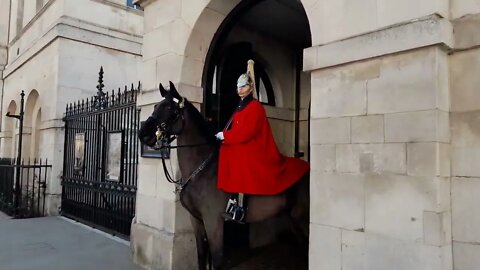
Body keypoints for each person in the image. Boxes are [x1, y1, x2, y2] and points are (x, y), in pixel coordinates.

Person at [215, 60, 310, 223]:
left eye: (243, 86)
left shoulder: (255, 106)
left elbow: (248, 132)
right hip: (244, 142)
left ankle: (240, 209)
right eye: (238, 86)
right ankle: (232, 201)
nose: (240, 90)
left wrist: (226, 136)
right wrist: (224, 136)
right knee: (227, 151)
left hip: (255, 145)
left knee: (241, 160)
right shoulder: (241, 106)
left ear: (251, 87)